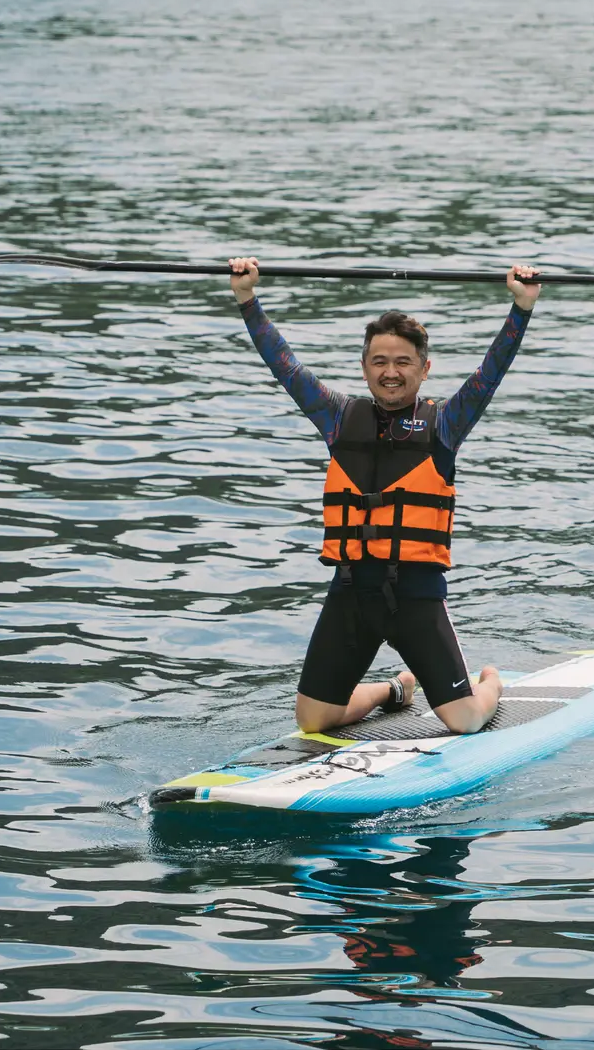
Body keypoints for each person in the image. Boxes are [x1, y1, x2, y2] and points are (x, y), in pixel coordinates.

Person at [228, 256, 539, 736]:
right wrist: (248, 299)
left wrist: (520, 308)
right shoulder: (336, 417)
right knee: (314, 720)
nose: (390, 372)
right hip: (351, 593)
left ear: (424, 368)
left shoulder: (446, 425)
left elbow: (489, 374)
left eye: (402, 362)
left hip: (415, 598)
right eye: (379, 361)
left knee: (466, 720)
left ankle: (491, 683)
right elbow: (284, 366)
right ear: (365, 367)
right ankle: (395, 690)